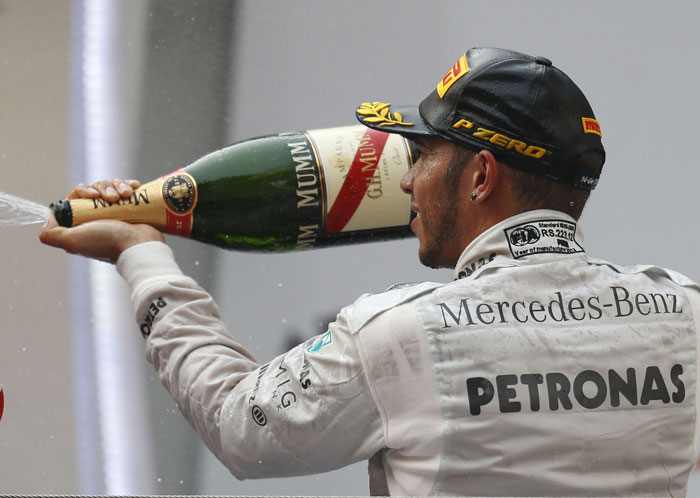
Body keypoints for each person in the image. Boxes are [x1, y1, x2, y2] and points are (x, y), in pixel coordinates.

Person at [39, 47, 700, 496]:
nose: (408, 178)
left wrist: (142, 254)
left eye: (421, 153)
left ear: (480, 175)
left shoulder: (402, 335)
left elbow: (239, 427)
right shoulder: (686, 315)